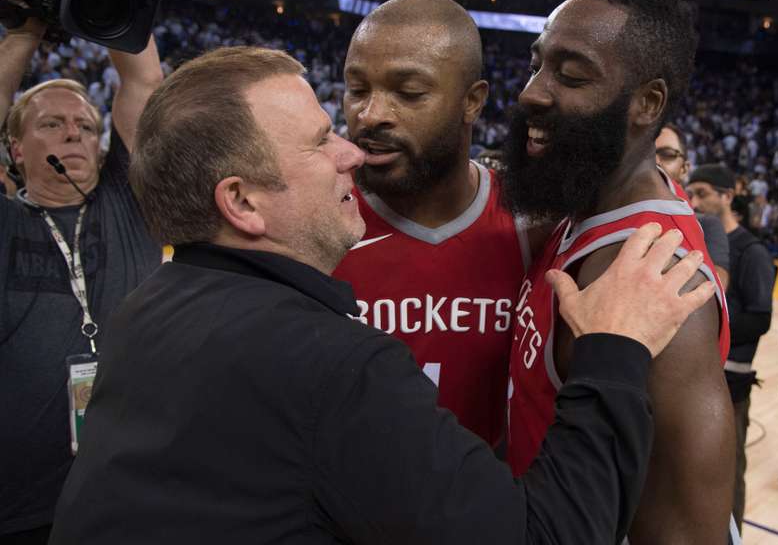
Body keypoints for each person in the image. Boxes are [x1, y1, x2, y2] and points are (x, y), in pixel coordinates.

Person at [49, 46, 716, 544]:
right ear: (243, 202)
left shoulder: (148, 307)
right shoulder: (331, 366)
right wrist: (612, 350)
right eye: (320, 143)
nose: (352, 150)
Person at [501, 0, 736, 544]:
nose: (532, 91)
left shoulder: (652, 278)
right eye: (538, 63)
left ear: (647, 103)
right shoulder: (591, 204)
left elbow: (686, 536)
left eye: (571, 75)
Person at [0, 0, 163, 541]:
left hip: (135, 494)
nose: (72, 132)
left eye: (85, 126)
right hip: (21, 507)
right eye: (50, 124)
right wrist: (22, 29)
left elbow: (144, 82)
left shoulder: (131, 202)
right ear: (15, 149)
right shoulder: (6, 220)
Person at [332, 0, 528, 446]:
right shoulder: (313, 220)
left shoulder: (527, 227)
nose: (371, 114)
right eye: (357, 89)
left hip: (486, 507)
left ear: (472, 102)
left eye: (409, 93)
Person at [687, 164, 776, 532]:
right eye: (691, 193)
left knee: (726, 474)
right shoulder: (693, 236)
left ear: (728, 195)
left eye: (704, 192)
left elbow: (761, 319)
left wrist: (702, 324)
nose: (695, 201)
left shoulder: (751, 251)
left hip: (731, 382)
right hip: (693, 378)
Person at [655, 122, 731, 288]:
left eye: (667, 154)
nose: (655, 162)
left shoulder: (707, 224)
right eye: (645, 155)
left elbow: (716, 287)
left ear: (684, 168)